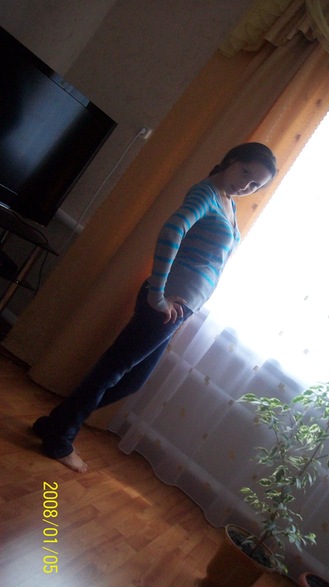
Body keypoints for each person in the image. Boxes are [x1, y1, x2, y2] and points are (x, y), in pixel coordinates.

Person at [32, 142, 277, 472]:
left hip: (178, 308)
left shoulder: (227, 201)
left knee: (131, 380)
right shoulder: (206, 193)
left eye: (255, 184)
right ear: (232, 160)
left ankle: (55, 424)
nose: (246, 185)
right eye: (245, 172)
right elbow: (173, 230)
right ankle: (60, 438)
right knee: (112, 371)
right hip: (164, 304)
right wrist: (158, 295)